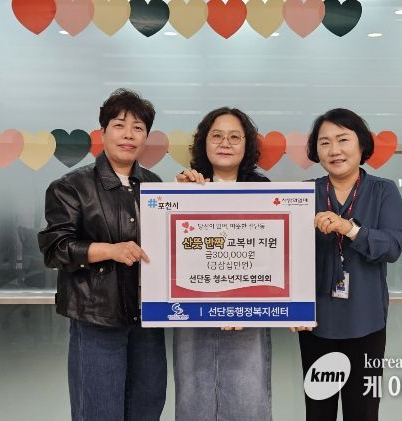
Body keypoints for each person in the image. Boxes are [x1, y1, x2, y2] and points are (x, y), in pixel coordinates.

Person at [37, 89, 166, 421]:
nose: (128, 135)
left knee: (147, 407)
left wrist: (193, 193)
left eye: (138, 128)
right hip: (96, 319)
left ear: (146, 137)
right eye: (119, 125)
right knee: (98, 412)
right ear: (103, 132)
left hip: (147, 320)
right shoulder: (71, 186)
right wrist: (110, 250)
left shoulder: (155, 185)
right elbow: (55, 248)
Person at [295, 108, 402, 421]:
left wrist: (350, 228)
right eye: (325, 142)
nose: (334, 150)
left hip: (366, 321)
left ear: (361, 145)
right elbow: (286, 253)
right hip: (317, 323)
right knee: (319, 410)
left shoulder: (383, 191)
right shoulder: (304, 193)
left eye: (343, 139)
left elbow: (392, 247)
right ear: (316, 150)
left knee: (363, 411)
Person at [174, 107, 272, 421]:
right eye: (216, 135)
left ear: (246, 145)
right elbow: (171, 252)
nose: (225, 143)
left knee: (248, 400)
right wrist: (177, 197)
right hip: (194, 313)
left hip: (249, 314)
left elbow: (274, 258)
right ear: (204, 142)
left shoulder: (265, 192)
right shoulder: (187, 187)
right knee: (193, 399)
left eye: (234, 137)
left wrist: (245, 303)